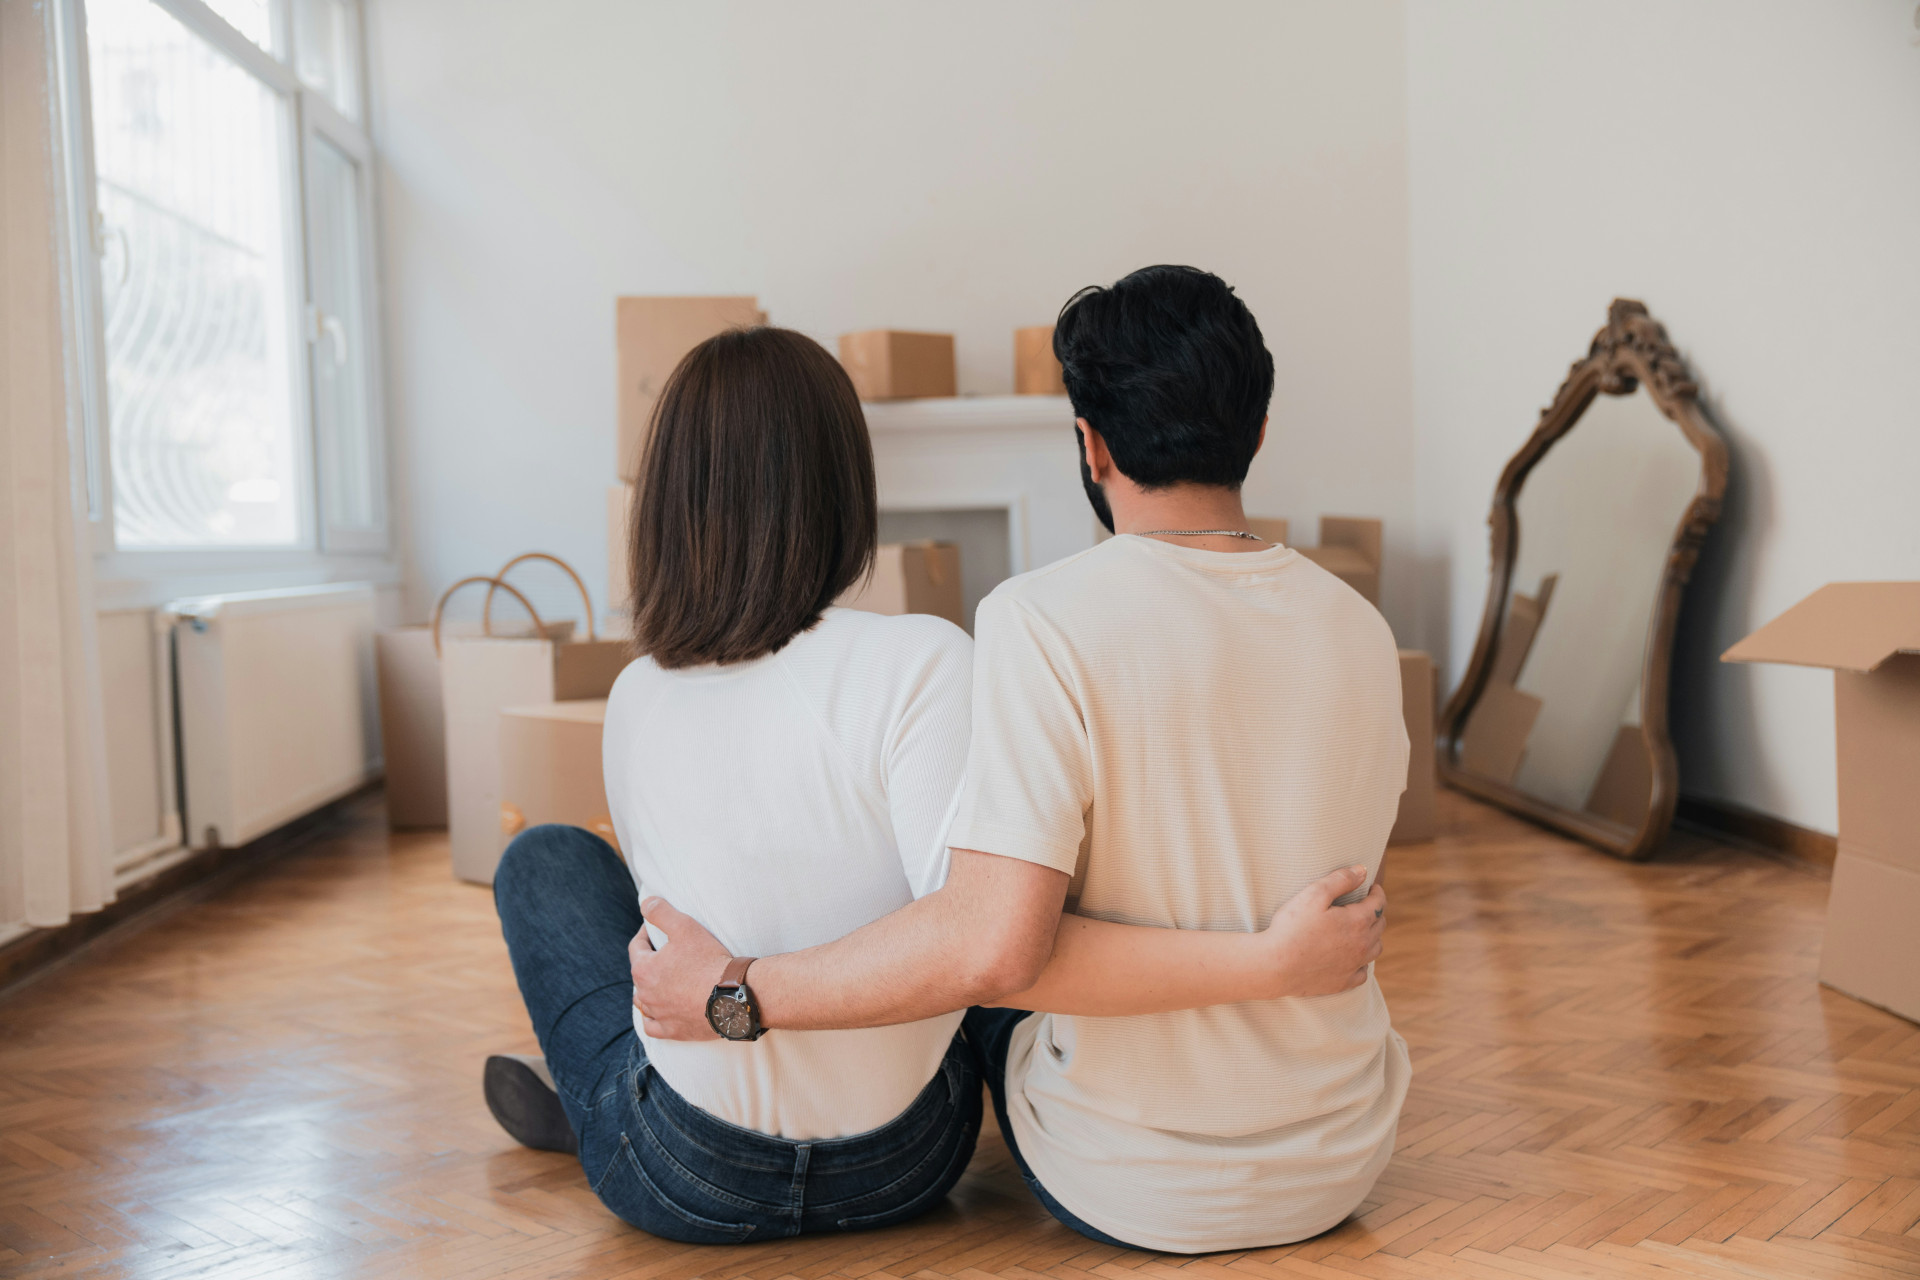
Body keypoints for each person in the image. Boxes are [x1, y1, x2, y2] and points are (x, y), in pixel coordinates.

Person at [486, 323, 1388, 1245]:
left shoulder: (635, 696)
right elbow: (983, 944)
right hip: (906, 1160)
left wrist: (728, 994)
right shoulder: (925, 659)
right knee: (990, 897)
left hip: (686, 1172)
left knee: (548, 861)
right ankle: (606, 1089)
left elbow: (980, 942)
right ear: (844, 482)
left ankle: (594, 1100)